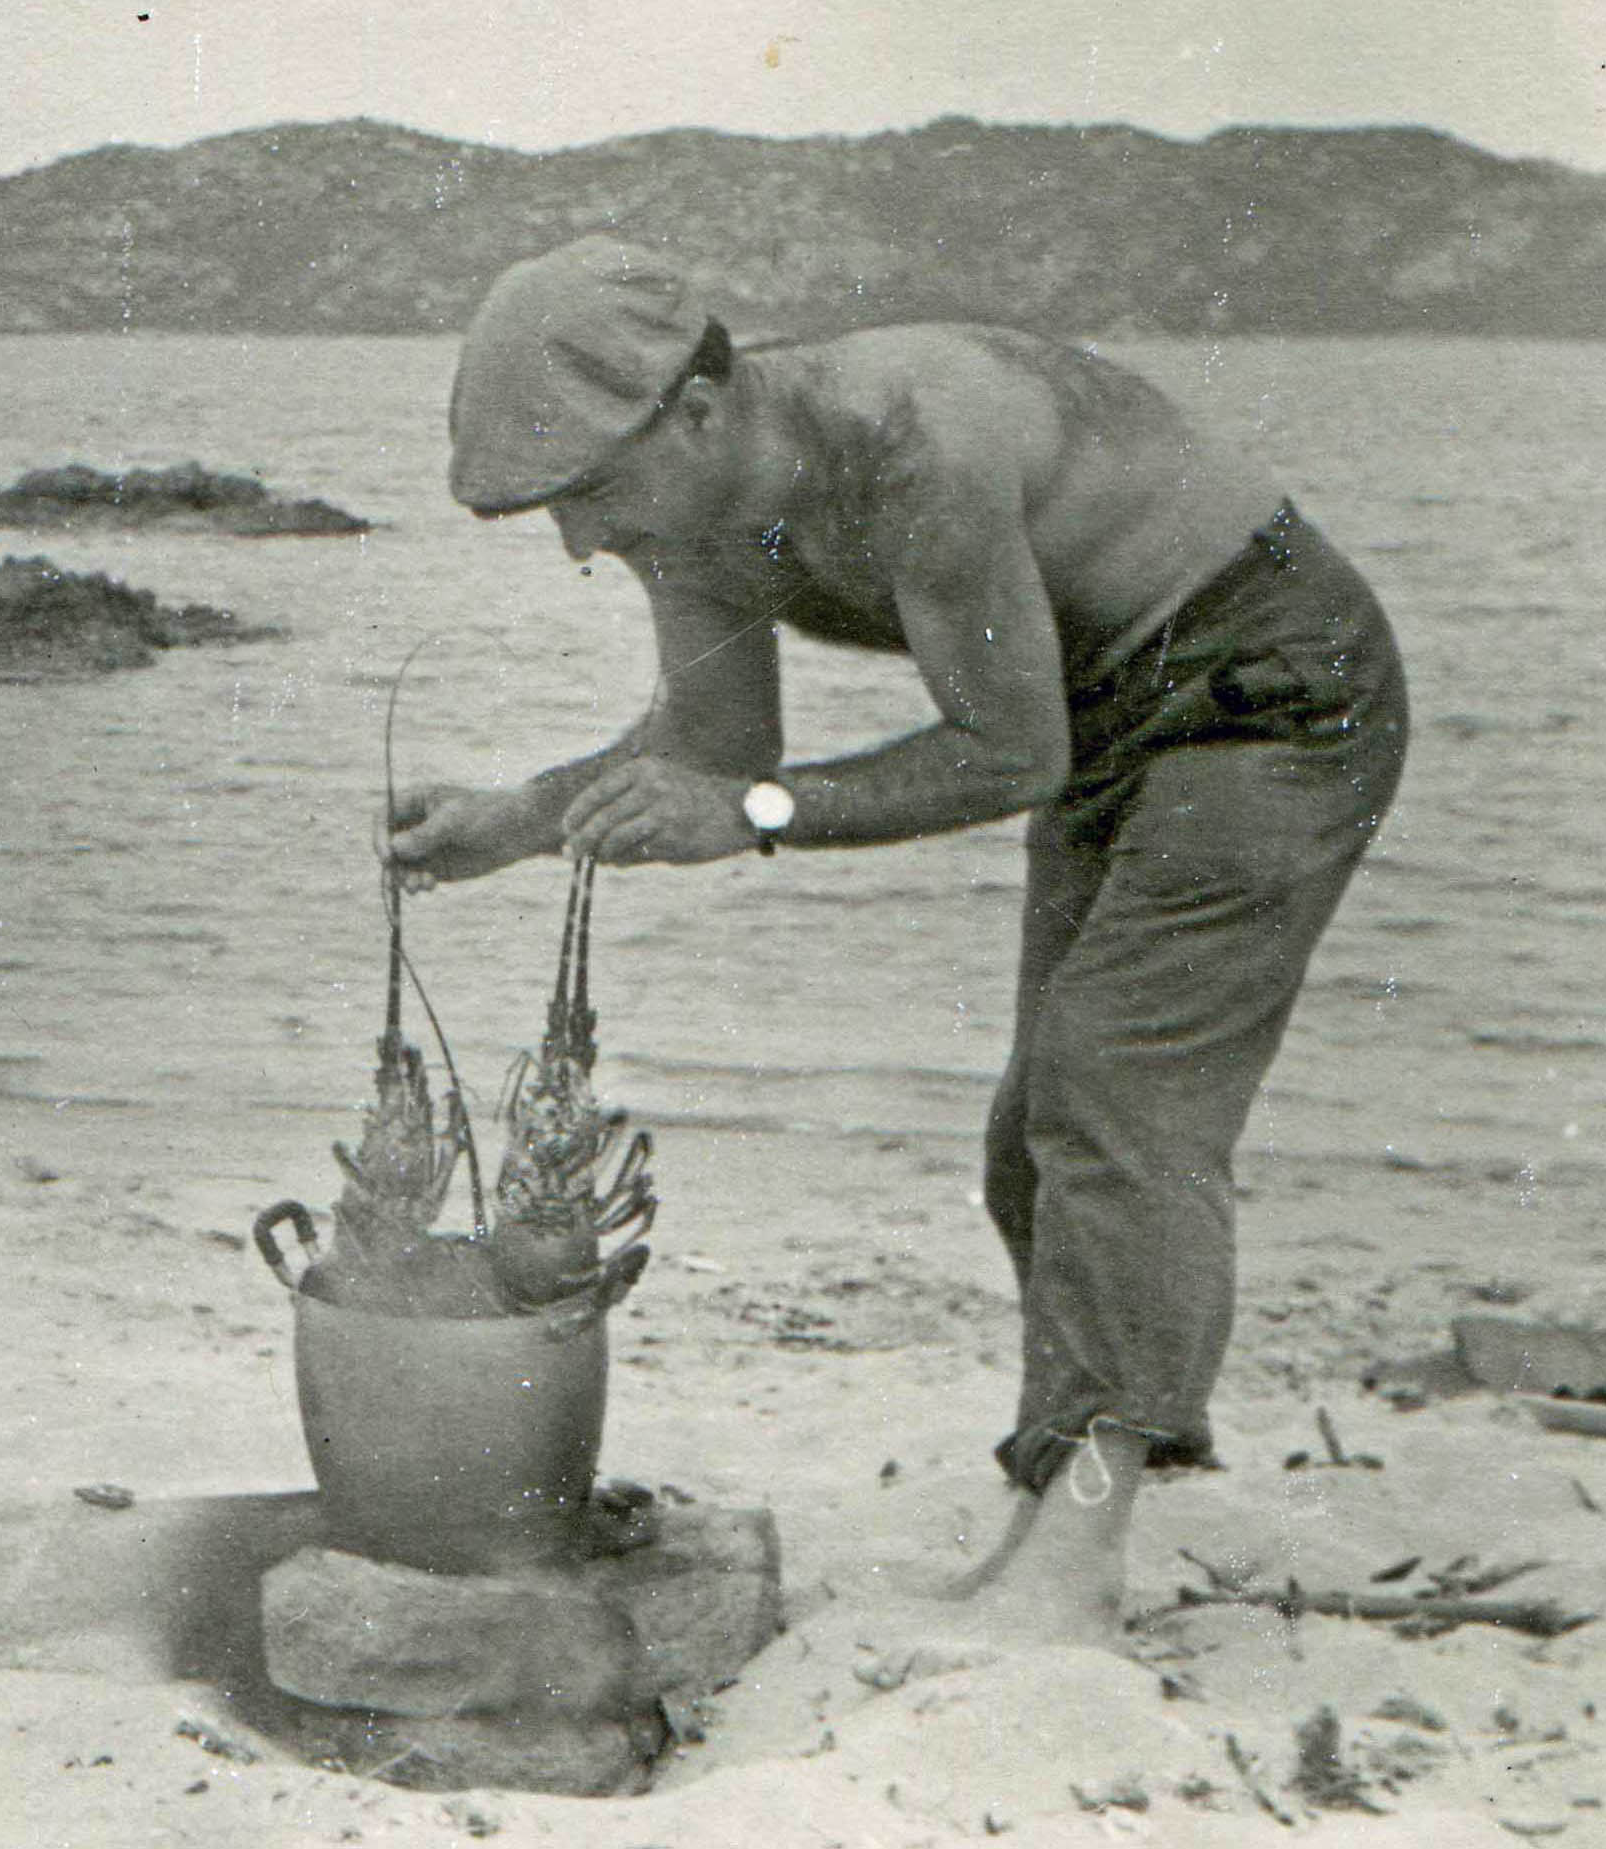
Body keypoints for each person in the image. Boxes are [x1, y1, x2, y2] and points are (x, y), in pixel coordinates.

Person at [387, 235, 1408, 1644]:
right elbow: (719, 743)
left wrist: (749, 816)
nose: (578, 541)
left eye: (589, 493)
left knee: (1115, 1097)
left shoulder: (906, 441)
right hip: (1110, 715)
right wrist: (514, 818)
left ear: (696, 411)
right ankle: (1060, 1522)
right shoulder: (685, 505)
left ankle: (1082, 1553)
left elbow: (1002, 755)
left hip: (1277, 686)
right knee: (1030, 1135)